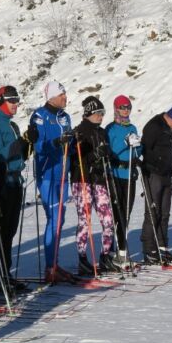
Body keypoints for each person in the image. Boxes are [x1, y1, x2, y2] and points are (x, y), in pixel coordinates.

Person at [0, 86, 31, 291]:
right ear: (1, 101)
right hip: (1, 181)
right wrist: (19, 144)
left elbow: (21, 155)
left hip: (15, 180)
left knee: (10, 228)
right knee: (0, 228)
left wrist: (29, 143)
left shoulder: (12, 125)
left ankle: (3, 271)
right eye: (11, 100)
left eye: (17, 100)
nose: (15, 104)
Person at [29, 81, 75, 283]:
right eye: (62, 95)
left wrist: (74, 141)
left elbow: (70, 144)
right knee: (54, 219)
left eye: (65, 94)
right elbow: (38, 146)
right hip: (47, 174)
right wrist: (57, 142)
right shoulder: (39, 116)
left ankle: (54, 264)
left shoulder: (65, 117)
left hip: (63, 174)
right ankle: (49, 268)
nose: (65, 98)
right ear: (52, 97)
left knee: (60, 219)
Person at [70, 97, 120, 275]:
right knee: (85, 221)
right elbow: (76, 158)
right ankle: (82, 259)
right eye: (99, 113)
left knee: (108, 220)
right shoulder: (79, 132)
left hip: (99, 180)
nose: (101, 116)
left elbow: (107, 154)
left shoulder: (102, 132)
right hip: (82, 180)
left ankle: (105, 256)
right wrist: (93, 156)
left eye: (103, 113)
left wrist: (114, 159)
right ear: (89, 113)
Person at [140, 105, 172, 265]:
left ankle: (162, 248)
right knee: (153, 213)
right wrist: (157, 163)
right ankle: (149, 251)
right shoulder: (154, 126)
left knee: (165, 213)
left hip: (166, 175)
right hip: (153, 174)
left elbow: (165, 147)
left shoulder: (168, 129)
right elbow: (145, 149)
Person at [105, 94, 141, 271]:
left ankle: (121, 251)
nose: (125, 110)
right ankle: (113, 251)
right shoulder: (110, 129)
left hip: (129, 176)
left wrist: (137, 145)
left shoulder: (132, 127)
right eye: (122, 107)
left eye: (128, 107)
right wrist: (124, 145)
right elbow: (109, 154)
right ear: (115, 109)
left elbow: (137, 151)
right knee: (116, 214)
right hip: (115, 175)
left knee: (126, 214)